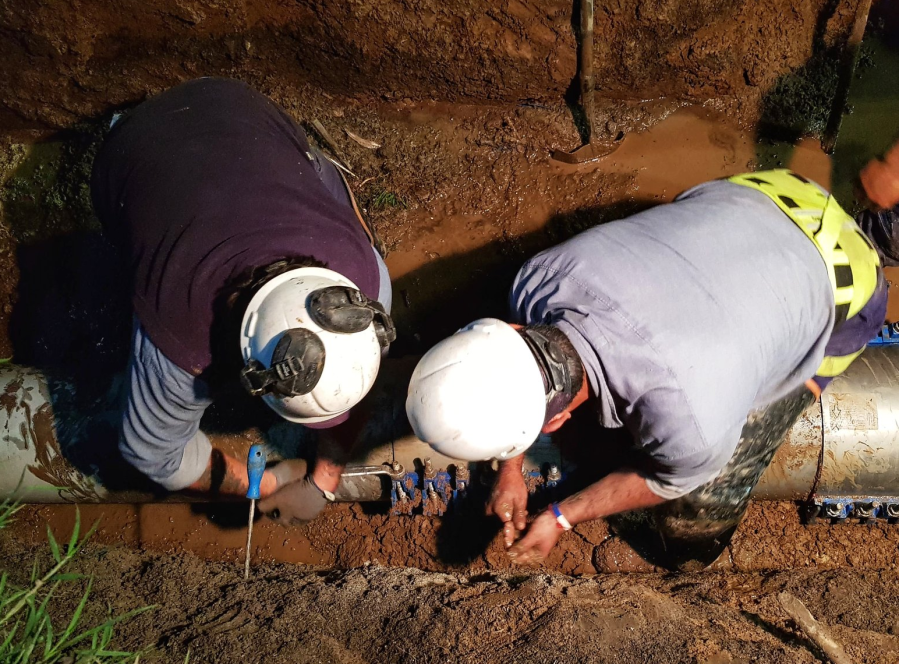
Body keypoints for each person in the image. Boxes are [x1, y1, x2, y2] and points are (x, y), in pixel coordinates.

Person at [405, 169, 886, 570]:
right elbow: (519, 356)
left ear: (556, 421)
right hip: (769, 191)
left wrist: (561, 515)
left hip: (849, 281)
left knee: (698, 511)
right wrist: (510, 471)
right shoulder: (539, 278)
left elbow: (664, 482)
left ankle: (692, 565)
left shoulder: (693, 426)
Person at [91, 78, 393, 525]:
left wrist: (323, 482)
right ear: (248, 366)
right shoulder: (183, 343)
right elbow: (152, 453)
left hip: (238, 106)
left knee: (318, 184)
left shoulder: (366, 281)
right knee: (125, 265)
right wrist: (266, 484)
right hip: (132, 149)